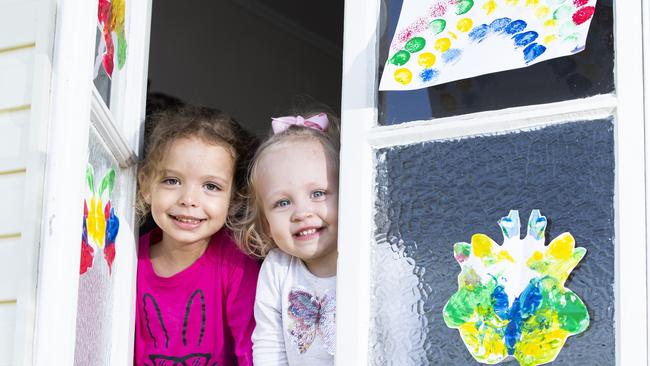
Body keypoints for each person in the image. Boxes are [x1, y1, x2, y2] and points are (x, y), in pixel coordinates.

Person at [134, 105, 260, 366]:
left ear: (234, 199)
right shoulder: (128, 257)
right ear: (146, 185)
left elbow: (251, 349)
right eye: (172, 181)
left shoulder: (236, 263)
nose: (189, 200)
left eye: (211, 186)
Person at [234, 110, 340, 365]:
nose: (302, 213)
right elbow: (269, 344)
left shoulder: (369, 259)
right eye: (282, 202)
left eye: (318, 193)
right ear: (266, 223)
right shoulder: (277, 267)